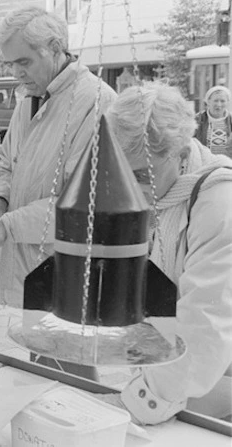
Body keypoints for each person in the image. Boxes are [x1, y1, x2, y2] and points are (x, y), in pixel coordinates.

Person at [0, 6, 117, 309]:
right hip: (33, 270)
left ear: (54, 48)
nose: (16, 73)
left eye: (24, 61)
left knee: (67, 353)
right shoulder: (29, 102)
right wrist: (0, 199)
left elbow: (83, 206)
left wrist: (8, 227)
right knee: (39, 352)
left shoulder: (97, 102)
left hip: (75, 276)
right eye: (10, 64)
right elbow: (7, 164)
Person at [105, 82, 232, 425]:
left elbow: (205, 328)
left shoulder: (220, 201)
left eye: (141, 175)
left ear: (179, 152)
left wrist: (140, 402)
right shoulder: (165, 190)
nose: (129, 188)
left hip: (215, 376)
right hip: (179, 373)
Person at [194, 85, 232, 158]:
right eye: (215, 100)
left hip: (227, 164)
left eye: (222, 101)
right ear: (208, 101)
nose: (219, 104)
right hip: (203, 162)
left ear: (228, 102)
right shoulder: (197, 119)